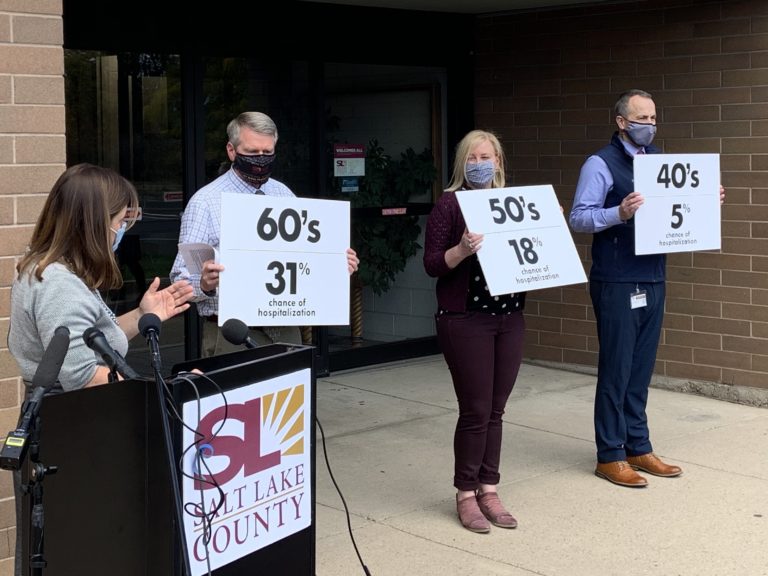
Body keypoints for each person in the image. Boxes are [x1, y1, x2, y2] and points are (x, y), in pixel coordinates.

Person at [8, 163, 194, 575]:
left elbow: (95, 339)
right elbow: (85, 377)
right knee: (77, 547)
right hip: (72, 434)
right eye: (121, 220)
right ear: (94, 222)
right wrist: (172, 391)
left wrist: (146, 314)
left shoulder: (58, 270)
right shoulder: (58, 285)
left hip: (65, 428)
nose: (123, 230)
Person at [569, 89, 724, 488]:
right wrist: (618, 213)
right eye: (642, 118)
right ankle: (610, 455)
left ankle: (638, 446)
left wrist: (707, 201)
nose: (650, 125)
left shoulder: (658, 160)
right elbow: (579, 218)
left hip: (654, 275)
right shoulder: (599, 164)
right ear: (621, 122)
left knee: (640, 370)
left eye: (654, 118)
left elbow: (677, 211)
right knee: (617, 369)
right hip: (617, 278)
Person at [170, 111, 359, 357]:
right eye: (252, 153)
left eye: (267, 153)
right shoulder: (205, 202)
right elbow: (179, 278)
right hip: (231, 334)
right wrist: (204, 284)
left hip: (286, 329)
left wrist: (335, 263)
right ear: (231, 150)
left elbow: (303, 259)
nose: (260, 160)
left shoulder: (283, 195)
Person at [423, 130, 524, 533]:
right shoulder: (449, 206)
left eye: (488, 156)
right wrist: (462, 249)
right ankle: (466, 494)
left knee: (496, 409)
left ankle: (490, 487)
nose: (481, 162)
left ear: (498, 161)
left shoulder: (513, 204)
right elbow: (432, 264)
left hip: (509, 316)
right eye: (473, 156)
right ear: (462, 163)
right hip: (466, 319)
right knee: (476, 409)